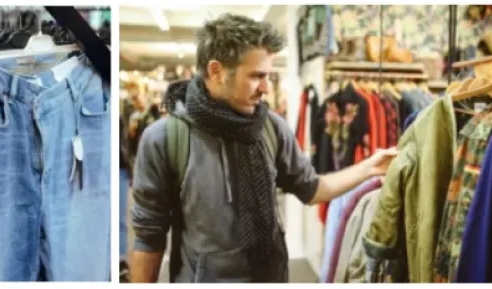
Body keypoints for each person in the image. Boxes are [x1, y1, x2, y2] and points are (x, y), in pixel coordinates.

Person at [128, 14, 397, 283]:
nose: (266, 88)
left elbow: (312, 189)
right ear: (216, 71)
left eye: (268, 76)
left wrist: (369, 167)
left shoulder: (270, 128)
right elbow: (149, 235)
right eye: (257, 76)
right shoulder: (165, 137)